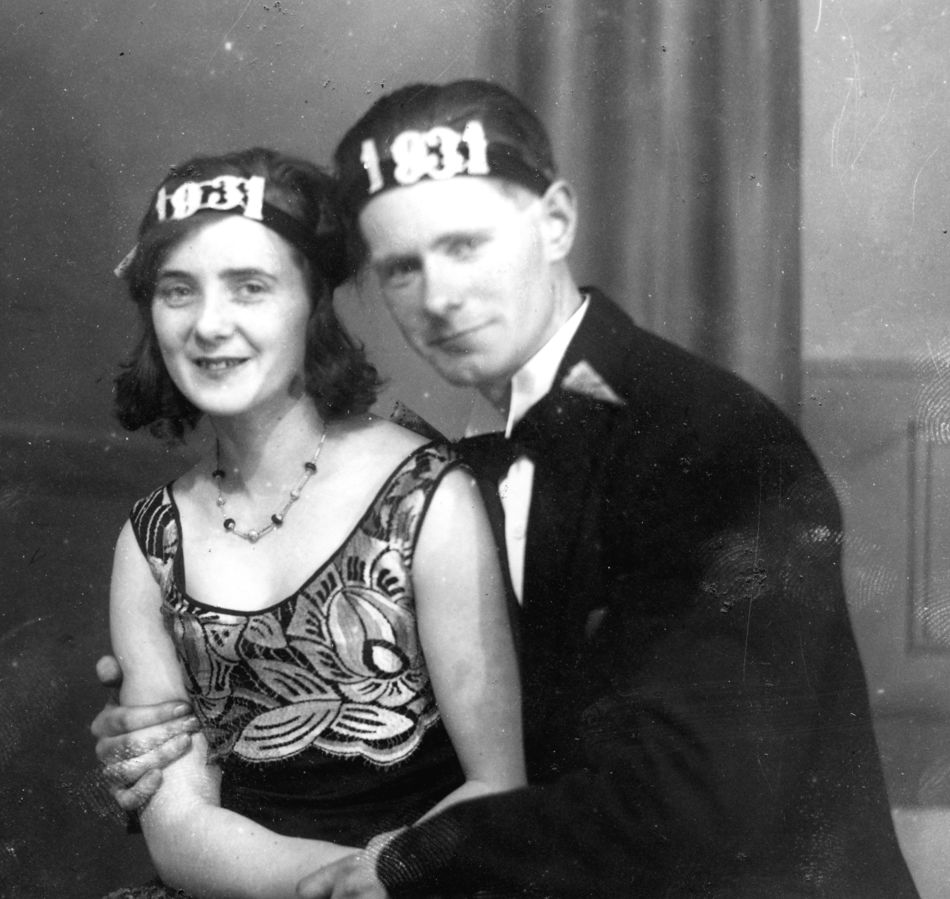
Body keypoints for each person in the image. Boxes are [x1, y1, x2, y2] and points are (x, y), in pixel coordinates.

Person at [94, 84, 918, 897]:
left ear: (556, 221)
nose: (440, 297)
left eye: (466, 245)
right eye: (403, 269)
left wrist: (406, 863)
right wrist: (176, 726)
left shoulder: (706, 438)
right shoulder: (480, 462)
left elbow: (700, 795)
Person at [97, 146, 524, 899]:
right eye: (178, 290)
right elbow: (178, 827)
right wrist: (328, 885)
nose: (209, 325)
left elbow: (497, 786)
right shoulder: (150, 542)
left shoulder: (423, 496)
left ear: (312, 304)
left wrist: (380, 877)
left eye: (250, 287)